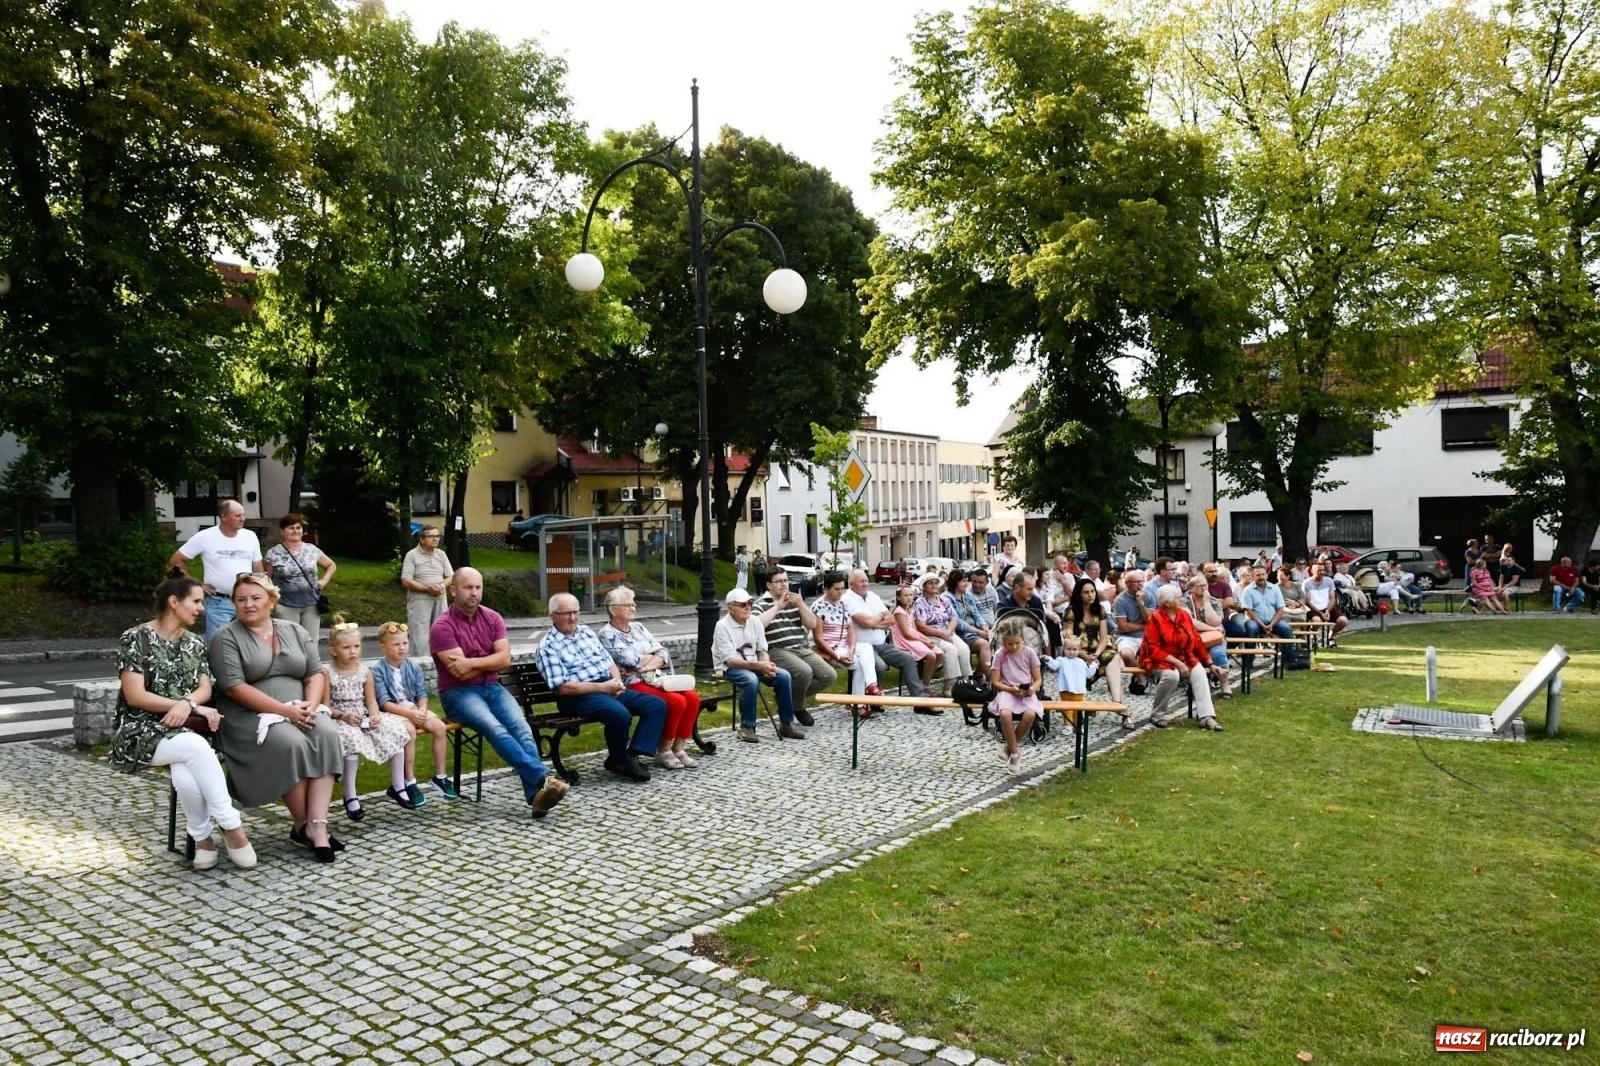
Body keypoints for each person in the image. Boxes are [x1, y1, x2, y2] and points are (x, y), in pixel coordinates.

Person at [111, 571, 255, 870]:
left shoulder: (195, 643)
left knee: (186, 772)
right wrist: (183, 706)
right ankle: (232, 828)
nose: (202, 608)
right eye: (197, 601)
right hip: (141, 730)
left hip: (185, 727)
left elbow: (204, 688)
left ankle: (202, 839)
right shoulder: (135, 638)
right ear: (174, 602)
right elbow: (135, 695)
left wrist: (188, 705)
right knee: (193, 748)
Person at [208, 573, 343, 862]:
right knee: (290, 743)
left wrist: (309, 705)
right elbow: (234, 687)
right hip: (249, 716)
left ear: (271, 600)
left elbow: (315, 672)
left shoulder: (294, 630)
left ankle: (318, 826)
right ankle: (302, 823)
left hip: (300, 708)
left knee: (328, 734)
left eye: (255, 598)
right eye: (241, 599)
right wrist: (284, 712)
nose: (248, 604)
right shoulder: (225, 637)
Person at [432, 567, 568, 817]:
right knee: (495, 729)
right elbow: (459, 675)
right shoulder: (442, 627)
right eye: (468, 587)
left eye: (478, 587)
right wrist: (488, 661)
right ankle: (543, 777)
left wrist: (473, 662)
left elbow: (504, 660)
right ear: (453, 591)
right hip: (458, 694)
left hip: (492, 688)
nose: (474, 593)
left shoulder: (493, 618)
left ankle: (537, 797)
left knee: (523, 729)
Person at [538, 592, 667, 780]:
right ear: (552, 616)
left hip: (606, 687)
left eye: (575, 612)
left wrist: (617, 682)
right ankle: (621, 760)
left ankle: (629, 756)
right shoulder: (548, 646)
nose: (572, 618)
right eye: (566, 613)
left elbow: (608, 662)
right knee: (619, 714)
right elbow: (563, 688)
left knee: (656, 705)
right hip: (576, 696)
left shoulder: (586, 632)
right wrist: (602, 688)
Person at [322, 619, 417, 821]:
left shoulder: (365, 670)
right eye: (346, 647)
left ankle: (398, 786)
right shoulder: (327, 673)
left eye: (356, 646)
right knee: (351, 743)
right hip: (342, 719)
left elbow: (371, 700)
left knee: (396, 733)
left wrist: (374, 715)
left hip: (363, 714)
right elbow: (326, 707)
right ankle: (350, 795)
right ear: (333, 650)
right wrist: (343, 715)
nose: (353, 651)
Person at [597, 587, 701, 769]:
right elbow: (629, 659)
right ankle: (664, 750)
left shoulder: (638, 627)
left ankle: (679, 748)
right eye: (628, 604)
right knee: (676, 701)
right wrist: (649, 658)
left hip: (653, 678)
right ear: (613, 609)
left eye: (633, 603)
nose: (633, 607)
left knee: (692, 697)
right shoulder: (607, 634)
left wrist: (644, 663)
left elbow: (662, 653)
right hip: (631, 684)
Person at [371, 621, 458, 800]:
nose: (402, 648)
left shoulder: (413, 667)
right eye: (396, 644)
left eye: (405, 643)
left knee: (440, 727)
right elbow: (384, 703)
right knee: (410, 731)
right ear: (383, 647)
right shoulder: (377, 670)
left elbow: (421, 694)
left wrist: (423, 709)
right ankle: (409, 781)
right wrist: (410, 714)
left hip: (412, 708)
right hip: (391, 712)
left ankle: (440, 777)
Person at [712, 587, 804, 742]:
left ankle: (786, 724)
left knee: (784, 676)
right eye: (742, 604)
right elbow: (730, 661)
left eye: (749, 603)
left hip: (753, 664)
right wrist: (759, 666)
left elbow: (762, 650)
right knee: (750, 679)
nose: (747, 607)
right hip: (729, 668)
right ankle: (747, 727)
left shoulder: (754, 621)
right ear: (730, 608)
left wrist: (766, 665)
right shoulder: (722, 626)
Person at [169, 498, 266, 643]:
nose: (243, 519)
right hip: (219, 602)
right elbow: (176, 560)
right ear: (224, 517)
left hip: (248, 601)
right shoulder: (205, 537)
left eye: (243, 515)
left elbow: (258, 568)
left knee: (251, 643)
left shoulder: (250, 536)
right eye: (237, 515)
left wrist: (265, 592)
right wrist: (196, 585)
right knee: (218, 645)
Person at [753, 569, 834, 723]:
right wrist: (777, 606)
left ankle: (786, 698)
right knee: (804, 672)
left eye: (786, 580)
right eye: (779, 581)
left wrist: (802, 605)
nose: (784, 584)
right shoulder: (760, 604)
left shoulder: (795, 601)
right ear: (769, 585)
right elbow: (757, 626)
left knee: (829, 675)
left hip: (801, 648)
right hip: (777, 650)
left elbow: (811, 624)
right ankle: (798, 708)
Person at [1141, 584, 1224, 731]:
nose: (1181, 600)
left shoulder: (1184, 615)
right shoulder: (1155, 618)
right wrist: (1178, 663)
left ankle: (1206, 717)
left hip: (1185, 657)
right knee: (1171, 676)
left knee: (1199, 673)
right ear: (1167, 603)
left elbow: (1196, 641)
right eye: (1178, 598)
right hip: (1160, 660)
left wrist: (1210, 663)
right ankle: (1157, 714)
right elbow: (1153, 649)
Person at [842, 569, 921, 699]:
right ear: (851, 584)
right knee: (880, 666)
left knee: (907, 659)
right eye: (861, 581)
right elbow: (866, 622)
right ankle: (873, 699)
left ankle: (919, 700)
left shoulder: (873, 596)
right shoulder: (847, 599)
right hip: (862, 646)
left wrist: (874, 623)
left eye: (866, 580)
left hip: (882, 645)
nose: (865, 584)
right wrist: (879, 618)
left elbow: (891, 619)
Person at [265, 512, 336, 648]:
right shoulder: (273, 553)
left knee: (310, 643)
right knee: (289, 644)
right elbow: (266, 579)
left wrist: (323, 581)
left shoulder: (311, 550)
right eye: (291, 528)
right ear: (282, 531)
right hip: (285, 606)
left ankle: (311, 669)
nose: (295, 531)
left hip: (311, 605)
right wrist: (272, 601)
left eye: (298, 528)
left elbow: (331, 565)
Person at [989, 619, 1043, 775]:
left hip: (1025, 691)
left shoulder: (1029, 653)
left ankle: (1009, 748)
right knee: (1005, 714)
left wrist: (1032, 689)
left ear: (1022, 640)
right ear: (1003, 643)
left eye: (1017, 644)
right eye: (1009, 644)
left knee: (1030, 714)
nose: (1013, 647)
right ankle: (1015, 753)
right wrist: (1010, 689)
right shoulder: (1000, 654)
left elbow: (1038, 678)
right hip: (1007, 690)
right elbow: (995, 681)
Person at [811, 570, 877, 694]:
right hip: (830, 648)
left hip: (845, 646)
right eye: (836, 589)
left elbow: (851, 631)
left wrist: (852, 649)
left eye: (842, 589)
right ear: (826, 589)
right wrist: (837, 656)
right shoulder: (818, 606)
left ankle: (871, 685)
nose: (840, 592)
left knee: (866, 647)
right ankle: (859, 702)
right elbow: (818, 639)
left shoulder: (842, 605)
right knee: (859, 665)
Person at [1063, 576, 1125, 707]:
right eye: (1086, 592)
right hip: (1076, 651)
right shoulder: (1071, 611)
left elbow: (1103, 638)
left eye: (1092, 591)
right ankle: (1118, 706)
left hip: (1096, 650)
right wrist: (1082, 654)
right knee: (1077, 662)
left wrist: (1096, 654)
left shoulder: (1099, 610)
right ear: (1079, 594)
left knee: (1113, 657)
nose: (1090, 595)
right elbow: (1068, 640)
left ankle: (1117, 702)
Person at [913, 572, 972, 695]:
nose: (934, 585)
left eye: (936, 583)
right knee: (951, 650)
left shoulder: (944, 600)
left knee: (964, 648)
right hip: (930, 635)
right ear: (924, 586)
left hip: (947, 632)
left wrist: (948, 632)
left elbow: (954, 618)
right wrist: (941, 633)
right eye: (930, 583)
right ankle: (948, 686)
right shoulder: (920, 602)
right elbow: (920, 626)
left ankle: (964, 683)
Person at [401, 526, 453, 657]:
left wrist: (441, 586)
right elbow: (406, 580)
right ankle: (421, 666)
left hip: (440, 598)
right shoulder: (412, 555)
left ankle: (441, 663)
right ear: (422, 539)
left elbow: (451, 576)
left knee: (442, 630)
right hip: (420, 600)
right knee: (420, 635)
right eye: (431, 536)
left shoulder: (441, 554)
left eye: (437, 536)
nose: (436, 539)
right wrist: (428, 588)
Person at [1182, 575, 1234, 698]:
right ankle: (1195, 685)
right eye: (1200, 586)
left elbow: (1215, 621)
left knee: (1217, 653)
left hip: (1214, 638)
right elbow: (1189, 622)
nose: (1204, 588)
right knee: (1192, 657)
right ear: (1191, 589)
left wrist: (1206, 602)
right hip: (1193, 638)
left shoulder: (1214, 601)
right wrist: (1213, 628)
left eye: (1205, 585)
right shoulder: (1184, 602)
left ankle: (1224, 682)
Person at [890, 584, 942, 704]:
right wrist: (923, 641)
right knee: (931, 655)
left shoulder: (910, 610)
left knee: (940, 653)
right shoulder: (899, 612)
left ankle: (924, 680)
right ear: (899, 598)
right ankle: (926, 686)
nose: (909, 598)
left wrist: (925, 639)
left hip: (913, 638)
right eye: (905, 595)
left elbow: (914, 629)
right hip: (904, 641)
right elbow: (906, 633)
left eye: (910, 595)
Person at [1112, 568, 1156, 692]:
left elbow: (1150, 621)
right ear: (1127, 584)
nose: (1140, 584)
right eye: (1136, 581)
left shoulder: (1149, 595)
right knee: (1126, 654)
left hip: (1147, 635)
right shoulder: (1120, 600)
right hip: (1127, 636)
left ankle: (1153, 676)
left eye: (1141, 581)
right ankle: (1143, 677)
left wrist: (1141, 603)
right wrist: (1145, 626)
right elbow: (1123, 627)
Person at [946, 570, 994, 675]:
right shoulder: (947, 599)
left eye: (967, 581)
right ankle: (992, 681)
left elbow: (977, 615)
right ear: (955, 582)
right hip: (961, 634)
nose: (966, 584)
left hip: (975, 632)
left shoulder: (967, 597)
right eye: (963, 581)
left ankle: (978, 675)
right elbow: (958, 623)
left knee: (994, 642)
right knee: (985, 645)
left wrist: (985, 627)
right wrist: (979, 632)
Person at [1239, 565, 1294, 639]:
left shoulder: (1275, 588)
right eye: (1258, 575)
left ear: (1267, 575)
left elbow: (1280, 609)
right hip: (1254, 621)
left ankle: (1288, 651)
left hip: (1274, 621)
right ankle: (1250, 650)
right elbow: (1249, 612)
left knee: (1286, 628)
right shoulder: (1247, 590)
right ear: (1252, 577)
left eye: (1263, 574)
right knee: (1251, 628)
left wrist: (1271, 624)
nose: (1261, 577)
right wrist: (1263, 626)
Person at [1299, 562, 1348, 643]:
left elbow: (1332, 598)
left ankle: (1331, 636)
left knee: (1343, 621)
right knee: (1317, 621)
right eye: (1319, 570)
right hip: (1313, 608)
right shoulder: (1307, 583)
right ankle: (1313, 635)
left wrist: (1328, 610)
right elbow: (1308, 601)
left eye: (1323, 570)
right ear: (1312, 571)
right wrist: (1320, 613)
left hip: (1327, 607)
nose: (1322, 572)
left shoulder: (1329, 581)